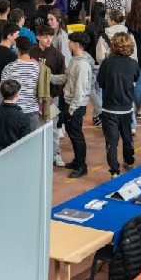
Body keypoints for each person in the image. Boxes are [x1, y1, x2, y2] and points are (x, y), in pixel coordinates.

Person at [50, 32, 93, 177]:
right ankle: (77, 160)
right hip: (70, 102)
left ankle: (82, 165)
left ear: (76, 45)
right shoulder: (75, 59)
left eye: (70, 42)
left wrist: (72, 109)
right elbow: (65, 77)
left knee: (77, 135)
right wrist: (49, 77)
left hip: (75, 105)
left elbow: (80, 90)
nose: (68, 44)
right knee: (73, 135)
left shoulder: (81, 64)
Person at [98, 32, 139, 178]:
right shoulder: (133, 64)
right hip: (126, 108)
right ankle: (129, 161)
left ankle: (114, 170)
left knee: (111, 141)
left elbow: (100, 83)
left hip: (109, 108)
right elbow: (136, 79)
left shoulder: (107, 63)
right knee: (127, 137)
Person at [31, 25, 67, 166]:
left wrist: (52, 94)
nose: (48, 39)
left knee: (52, 126)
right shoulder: (31, 52)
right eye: (45, 36)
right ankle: (37, 153)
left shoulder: (57, 55)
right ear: (38, 36)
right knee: (36, 124)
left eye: (50, 36)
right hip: (34, 97)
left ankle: (55, 153)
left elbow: (62, 77)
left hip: (51, 97)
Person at [1, 36, 42, 131]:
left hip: (13, 111)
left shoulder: (9, 68)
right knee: (31, 142)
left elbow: (3, 90)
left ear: (17, 49)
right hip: (32, 110)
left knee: (15, 142)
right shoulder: (39, 67)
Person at [84, 2, 107, 126]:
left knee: (88, 89)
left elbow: (86, 45)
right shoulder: (108, 26)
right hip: (104, 62)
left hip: (92, 62)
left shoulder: (90, 27)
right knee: (99, 89)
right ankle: (98, 116)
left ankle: (100, 111)